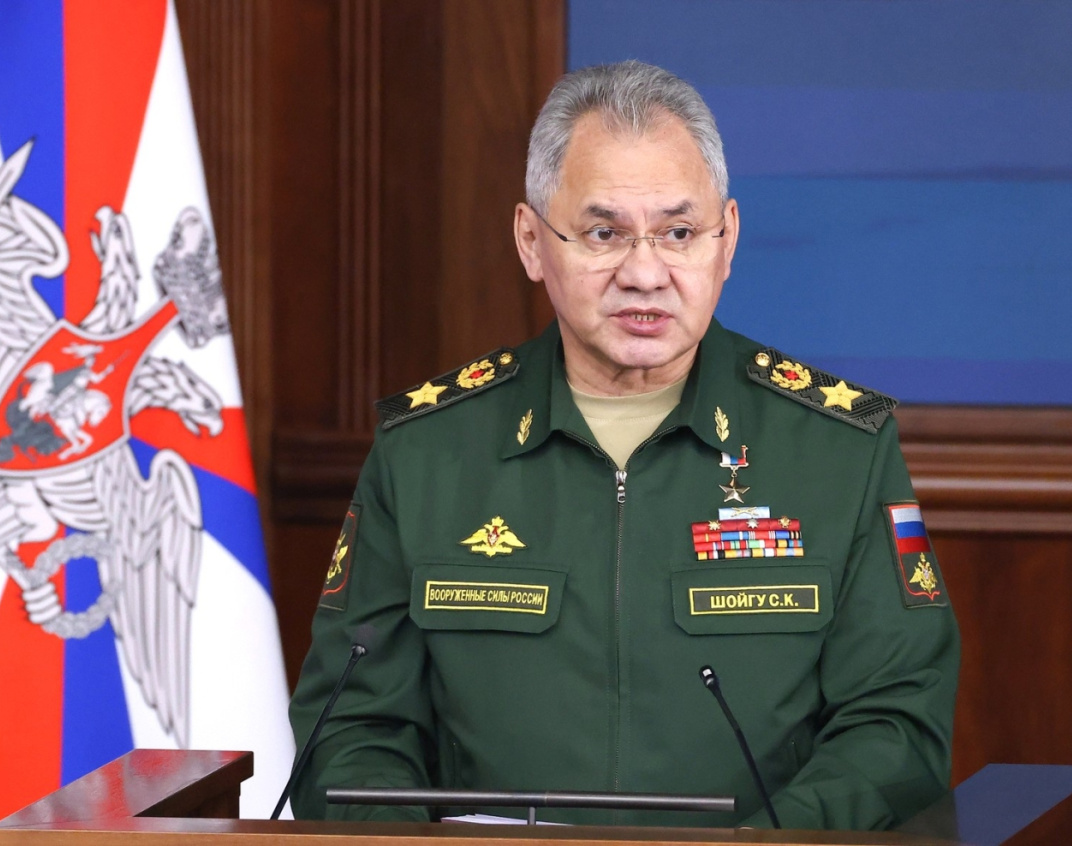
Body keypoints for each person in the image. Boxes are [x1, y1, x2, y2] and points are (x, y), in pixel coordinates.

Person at [288, 60, 959, 830]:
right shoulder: (427, 453)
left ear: (727, 241)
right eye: (604, 233)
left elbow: (896, 727)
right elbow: (351, 731)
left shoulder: (839, 450)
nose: (645, 273)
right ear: (532, 241)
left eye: (679, 233)